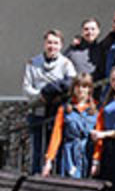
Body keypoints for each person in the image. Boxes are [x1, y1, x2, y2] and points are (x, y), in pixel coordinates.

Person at [23, 29, 76, 171]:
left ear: (61, 45)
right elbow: (27, 88)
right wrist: (41, 96)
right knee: (38, 150)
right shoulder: (33, 63)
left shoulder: (66, 64)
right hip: (37, 111)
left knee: (56, 149)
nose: (52, 46)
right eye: (49, 42)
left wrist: (53, 91)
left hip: (57, 111)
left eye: (56, 43)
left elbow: (71, 85)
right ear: (44, 44)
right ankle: (35, 180)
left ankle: (55, 180)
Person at [41, 74, 98, 178]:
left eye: (84, 86)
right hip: (69, 154)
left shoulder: (97, 110)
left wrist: (96, 160)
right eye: (78, 86)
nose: (81, 89)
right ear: (73, 88)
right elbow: (56, 135)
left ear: (90, 89)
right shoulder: (64, 109)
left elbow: (99, 138)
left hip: (88, 151)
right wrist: (49, 160)